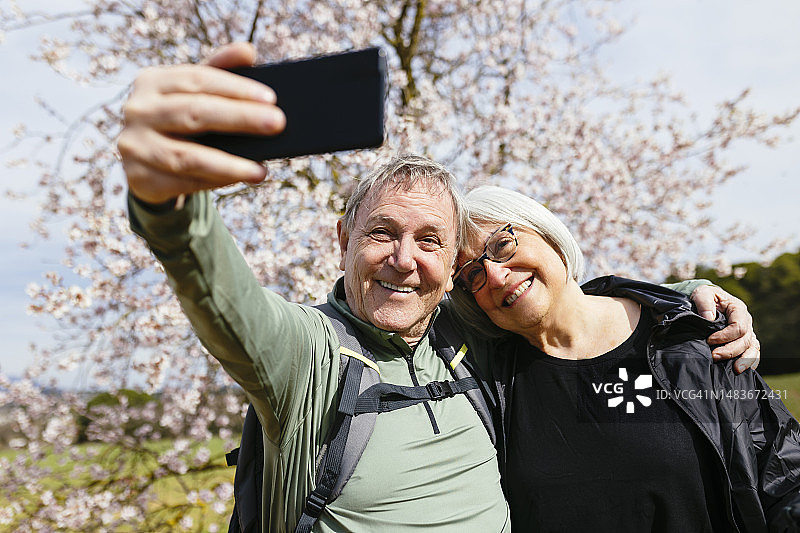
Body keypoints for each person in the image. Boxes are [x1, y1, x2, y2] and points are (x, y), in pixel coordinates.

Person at [118, 42, 761, 532]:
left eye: (430, 241)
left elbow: (558, 304)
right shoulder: (308, 355)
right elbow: (226, 299)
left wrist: (680, 300)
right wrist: (168, 204)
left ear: (453, 264)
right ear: (341, 239)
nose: (404, 260)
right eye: (381, 234)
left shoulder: (467, 335)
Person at [449, 185, 800, 532]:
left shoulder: (687, 335)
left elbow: (783, 473)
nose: (495, 275)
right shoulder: (486, 382)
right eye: (473, 274)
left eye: (502, 245)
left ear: (549, 235)